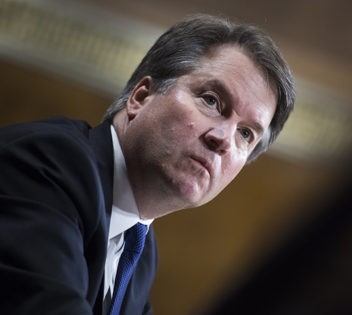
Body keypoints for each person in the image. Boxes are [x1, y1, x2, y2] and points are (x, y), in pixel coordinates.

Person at [0, 14, 295, 315]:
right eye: (211, 101)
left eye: (246, 134)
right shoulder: (50, 161)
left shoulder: (139, 252)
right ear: (141, 96)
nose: (224, 139)